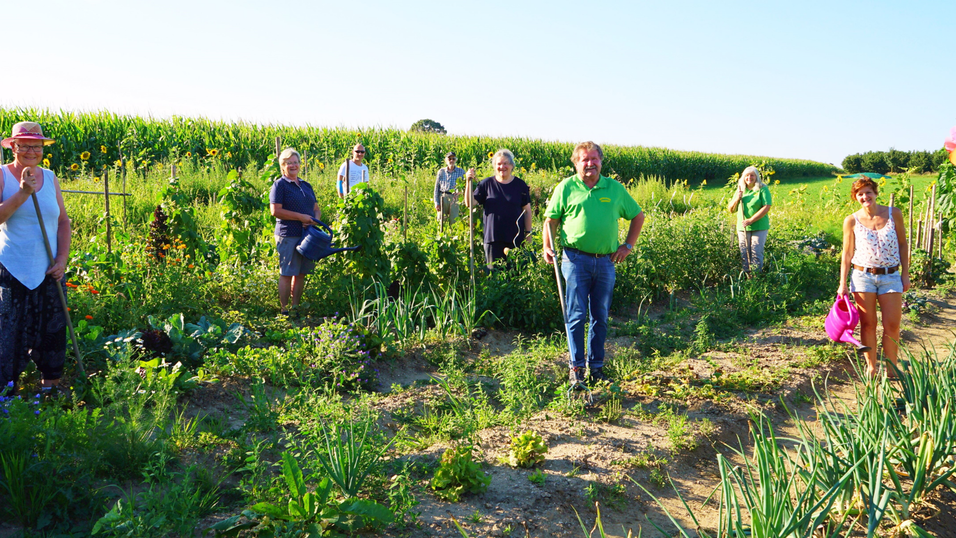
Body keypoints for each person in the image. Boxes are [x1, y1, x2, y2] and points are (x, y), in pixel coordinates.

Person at [543, 141, 644, 386]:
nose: (590, 164)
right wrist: (547, 245)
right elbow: (551, 220)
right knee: (576, 315)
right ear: (576, 163)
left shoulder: (614, 188)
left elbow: (637, 216)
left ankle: (596, 368)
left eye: (594, 159)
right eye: (584, 160)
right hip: (575, 259)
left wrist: (627, 246)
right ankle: (576, 368)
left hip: (606, 261)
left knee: (601, 315)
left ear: (601, 162)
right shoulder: (566, 187)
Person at [0, 121, 71, 396]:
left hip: (48, 269)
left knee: (52, 332)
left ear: (43, 149)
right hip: (12, 268)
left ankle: (49, 391)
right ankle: (6, 395)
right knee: (8, 335)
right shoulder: (3, 176)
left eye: (37, 145)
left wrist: (62, 259)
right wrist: (23, 193)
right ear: (13, 147)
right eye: (25, 145)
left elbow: (63, 222)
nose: (31, 150)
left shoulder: (51, 178)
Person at [837, 177, 910, 379]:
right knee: (868, 324)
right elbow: (847, 253)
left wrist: (905, 273)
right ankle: (871, 367)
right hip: (862, 277)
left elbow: (903, 244)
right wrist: (842, 283)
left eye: (868, 192)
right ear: (855, 198)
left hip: (891, 276)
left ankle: (892, 368)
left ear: (876, 193)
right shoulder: (851, 220)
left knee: (892, 324)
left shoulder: (893, 214)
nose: (865, 196)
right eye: (860, 194)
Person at [269, 148, 321, 316]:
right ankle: (284, 310)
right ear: (282, 166)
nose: (293, 165)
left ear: (300, 164)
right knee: (287, 272)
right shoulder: (280, 185)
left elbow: (316, 208)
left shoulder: (306, 185)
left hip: (306, 235)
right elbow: (275, 211)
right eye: (288, 163)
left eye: (295, 162)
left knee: (301, 273)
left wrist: (314, 221)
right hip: (288, 234)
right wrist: (301, 217)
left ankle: (295, 307)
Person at [465, 149, 532, 268]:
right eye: (499, 164)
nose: (502, 167)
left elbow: (527, 211)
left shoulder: (520, 185)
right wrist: (468, 181)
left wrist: (528, 234)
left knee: (515, 276)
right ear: (495, 166)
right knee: (493, 277)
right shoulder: (486, 184)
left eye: (505, 163)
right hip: (493, 239)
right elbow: (470, 203)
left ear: (512, 165)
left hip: (515, 238)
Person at [727, 166, 772, 274]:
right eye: (747, 175)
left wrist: (751, 220)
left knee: (756, 251)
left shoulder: (762, 189)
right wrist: (738, 198)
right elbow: (731, 209)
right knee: (744, 252)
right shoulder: (740, 190)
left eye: (752, 175)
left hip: (759, 226)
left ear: (756, 177)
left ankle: (756, 276)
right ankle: (747, 275)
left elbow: (766, 207)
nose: (749, 178)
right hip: (742, 227)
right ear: (743, 177)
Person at [434, 151, 465, 223]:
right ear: (446, 160)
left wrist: (460, 194)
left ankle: (452, 234)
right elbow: (436, 188)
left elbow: (465, 186)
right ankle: (441, 234)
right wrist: (436, 202)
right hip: (443, 197)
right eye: (449, 159)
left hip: (455, 198)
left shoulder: (461, 172)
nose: (451, 160)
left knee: (454, 222)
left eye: (453, 159)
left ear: (456, 160)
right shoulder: (441, 172)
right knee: (441, 221)